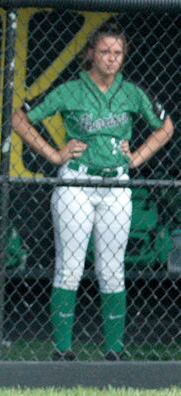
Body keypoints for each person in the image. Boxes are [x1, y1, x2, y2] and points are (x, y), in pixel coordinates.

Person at [11, 21, 174, 361]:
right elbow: (19, 119)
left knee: (111, 268)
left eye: (117, 53)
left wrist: (137, 158)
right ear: (90, 54)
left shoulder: (131, 92)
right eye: (104, 51)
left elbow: (166, 127)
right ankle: (62, 349)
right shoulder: (71, 89)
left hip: (116, 183)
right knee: (69, 265)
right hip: (76, 183)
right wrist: (54, 154)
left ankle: (113, 351)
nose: (112, 59)